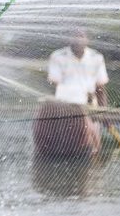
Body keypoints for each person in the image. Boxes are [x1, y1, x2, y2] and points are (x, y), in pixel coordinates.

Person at [33, 28, 109, 156]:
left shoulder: (96, 58)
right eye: (74, 36)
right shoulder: (58, 56)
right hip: (63, 104)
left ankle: (94, 149)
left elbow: (100, 89)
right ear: (68, 39)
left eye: (81, 36)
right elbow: (54, 85)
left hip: (88, 104)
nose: (78, 40)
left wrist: (104, 113)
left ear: (87, 39)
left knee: (94, 143)